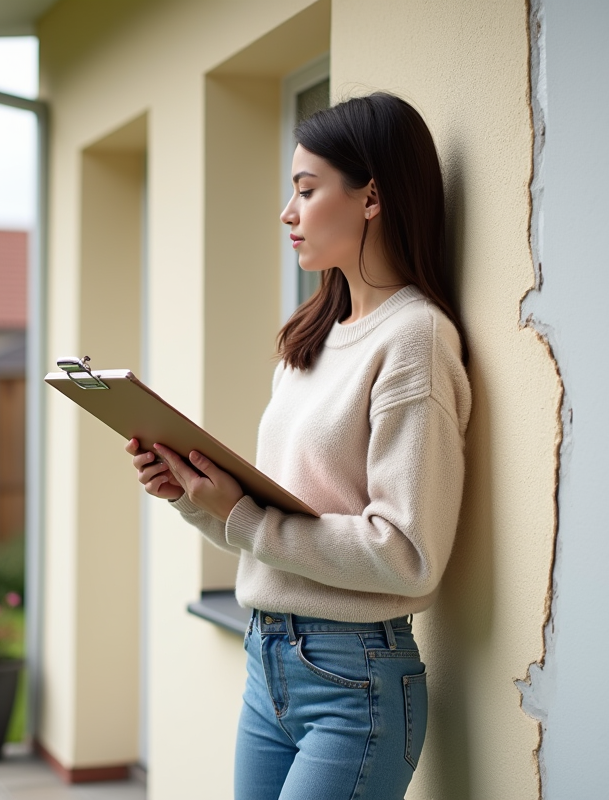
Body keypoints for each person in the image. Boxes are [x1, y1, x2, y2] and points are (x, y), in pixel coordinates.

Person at [125, 92, 471, 800]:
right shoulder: (310, 337)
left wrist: (241, 518)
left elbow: (407, 555)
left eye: (307, 190)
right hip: (267, 662)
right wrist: (196, 498)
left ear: (371, 197)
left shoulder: (416, 339)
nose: (288, 212)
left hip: (355, 682)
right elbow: (282, 524)